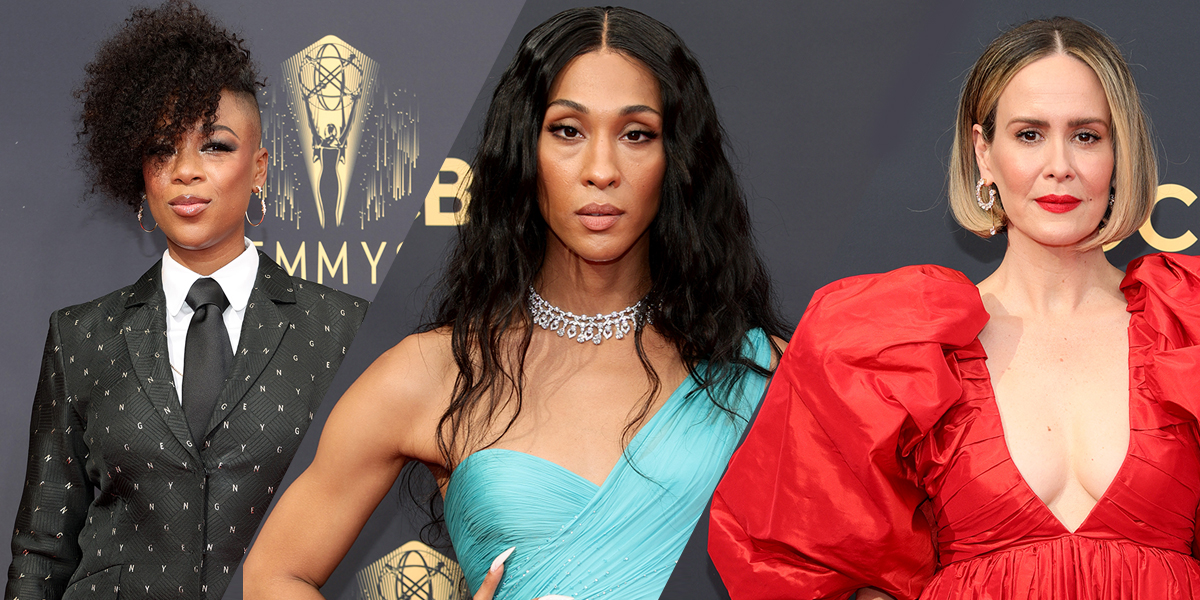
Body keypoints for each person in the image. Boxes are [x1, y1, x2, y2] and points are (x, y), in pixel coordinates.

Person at [243, 6, 787, 600]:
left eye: (636, 134)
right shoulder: (434, 373)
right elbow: (274, 575)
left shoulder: (764, 376)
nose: (601, 170)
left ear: (677, 160)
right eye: (567, 131)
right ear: (523, 152)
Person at [708, 15, 1200, 600]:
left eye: (1087, 135)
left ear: (1121, 152)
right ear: (983, 153)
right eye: (1029, 134)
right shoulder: (892, 341)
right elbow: (793, 558)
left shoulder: (1187, 323)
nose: (1060, 164)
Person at [4, 2, 367, 599]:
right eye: (162, 150)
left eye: (216, 147)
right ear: (139, 172)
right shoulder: (81, 337)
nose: (185, 173)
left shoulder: (339, 330)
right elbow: (42, 548)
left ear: (260, 170)